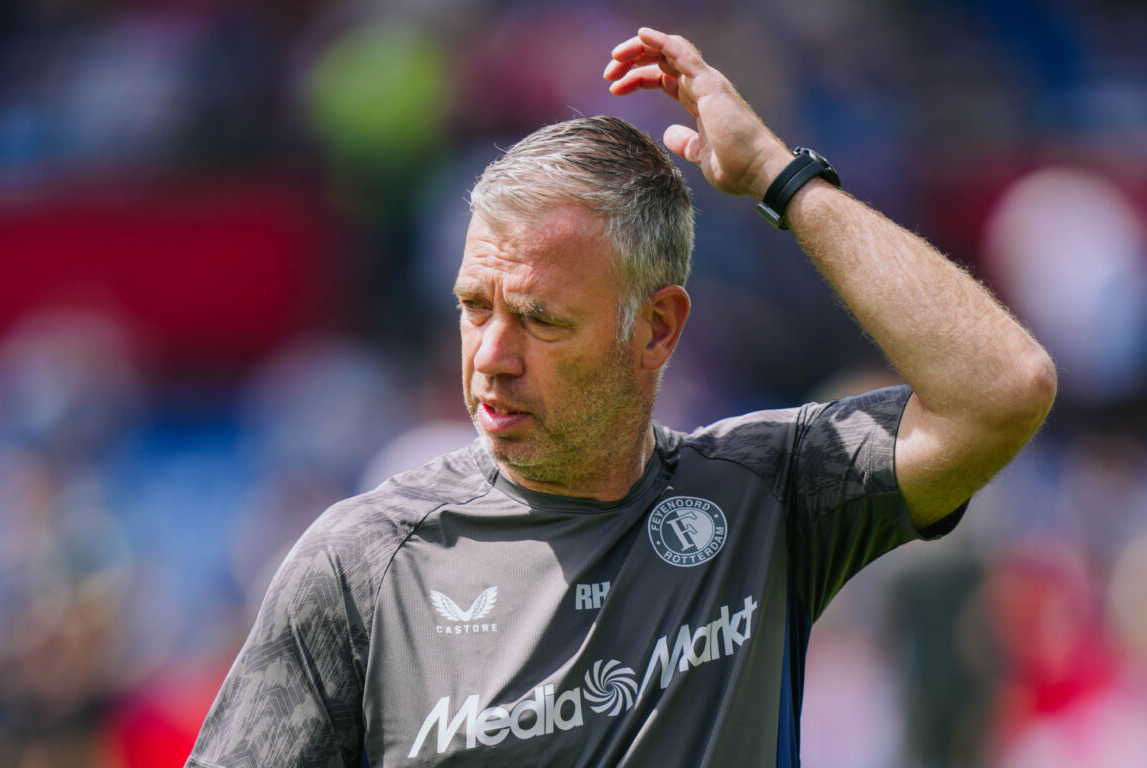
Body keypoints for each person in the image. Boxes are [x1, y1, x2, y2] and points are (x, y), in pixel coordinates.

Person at [185, 28, 1056, 768]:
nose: (491, 356)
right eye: (472, 308)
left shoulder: (767, 497)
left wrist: (777, 179)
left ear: (657, 331)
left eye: (538, 320)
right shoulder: (359, 566)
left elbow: (1001, 388)